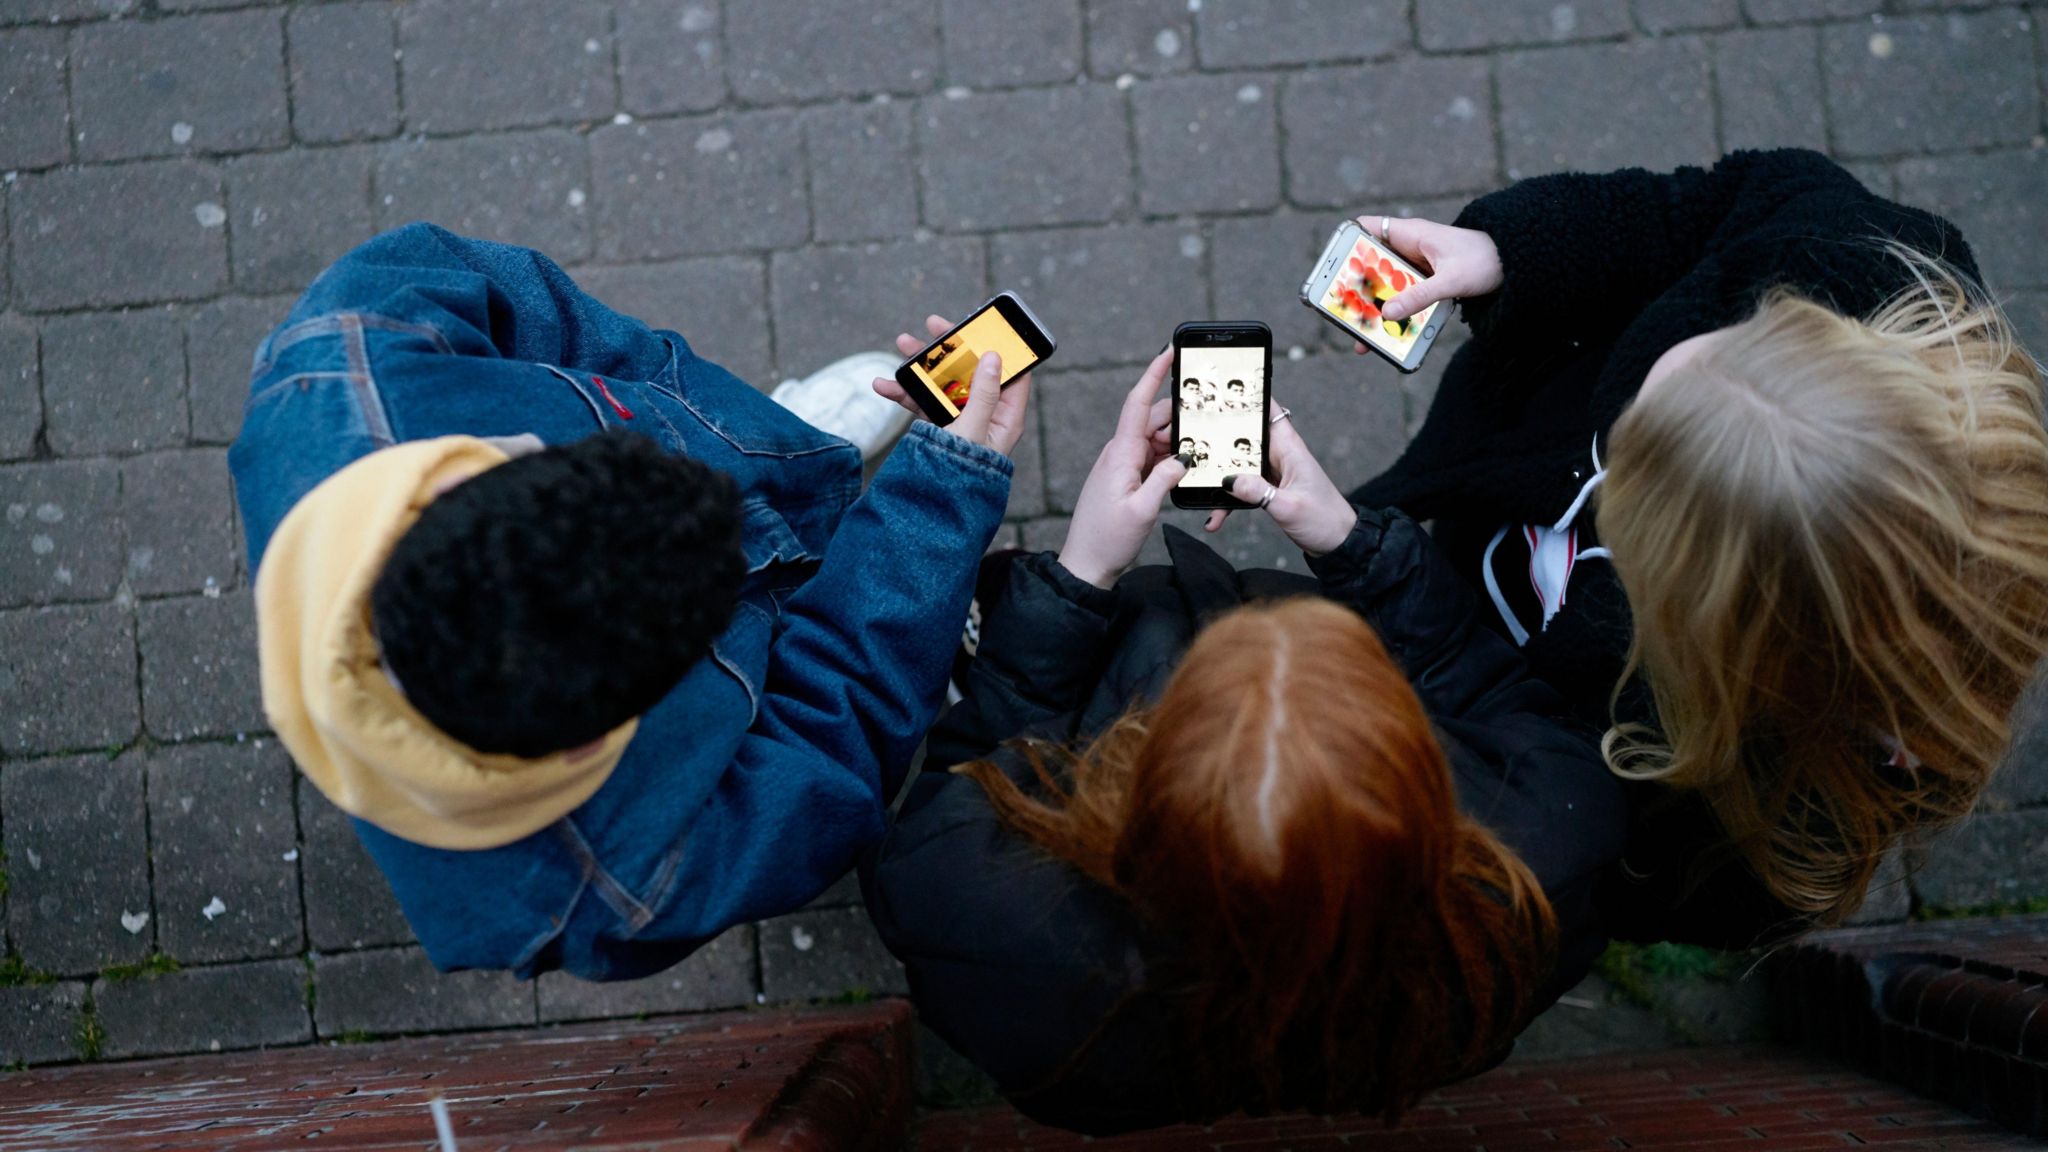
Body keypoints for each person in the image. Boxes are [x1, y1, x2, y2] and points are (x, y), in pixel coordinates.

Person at [231, 223, 1030, 981]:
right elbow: (833, 735)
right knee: (851, 588)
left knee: (753, 454)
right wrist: (940, 499)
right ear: (592, 747)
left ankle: (787, 447)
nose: (729, 508)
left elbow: (535, 306)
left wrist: (669, 397)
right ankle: (830, 508)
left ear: (468, 474)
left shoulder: (348, 353)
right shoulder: (615, 890)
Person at [862, 355, 1625, 1133]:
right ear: (1416, 761)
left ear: (1143, 772)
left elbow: (971, 770)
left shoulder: (992, 922)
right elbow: (1491, 692)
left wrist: (1080, 576)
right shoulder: (1544, 873)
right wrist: (1350, 540)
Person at [1344, 148, 2048, 947]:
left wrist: (1363, 563)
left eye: (1637, 453)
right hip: (1468, 516)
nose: (1621, 399)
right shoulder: (1866, 267)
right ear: (1797, 328)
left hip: (1458, 658)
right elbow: (1704, 210)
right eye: (1717, 331)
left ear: (1698, 610)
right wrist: (1515, 252)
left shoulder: (1740, 823)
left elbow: (1546, 809)